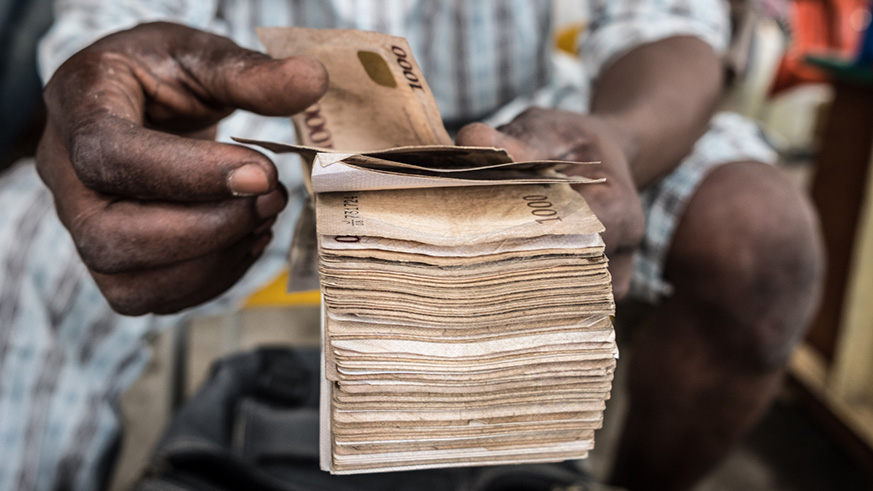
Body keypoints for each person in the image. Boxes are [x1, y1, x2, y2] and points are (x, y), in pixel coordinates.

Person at [0, 1, 823, 490]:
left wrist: (614, 136)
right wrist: (104, 81)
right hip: (248, 123)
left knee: (760, 239)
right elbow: (107, 23)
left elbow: (667, 23)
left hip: (531, 120)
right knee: (23, 253)